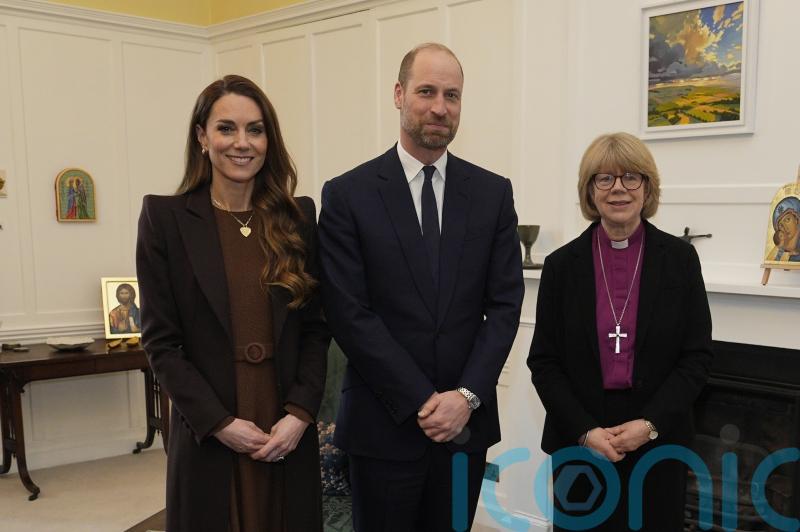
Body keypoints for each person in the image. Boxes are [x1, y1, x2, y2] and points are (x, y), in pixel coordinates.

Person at [318, 43, 524, 531]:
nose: (439, 107)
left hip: (464, 430)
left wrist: (465, 397)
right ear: (399, 94)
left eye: (452, 95)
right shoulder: (348, 194)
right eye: (426, 91)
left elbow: (505, 305)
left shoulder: (492, 193)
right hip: (382, 425)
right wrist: (422, 400)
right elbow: (348, 312)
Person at [136, 74, 329, 532]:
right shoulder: (165, 219)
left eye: (255, 130)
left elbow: (317, 328)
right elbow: (161, 344)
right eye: (226, 128)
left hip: (285, 423)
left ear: (268, 140)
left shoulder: (298, 217)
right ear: (202, 137)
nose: (242, 143)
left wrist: (300, 414)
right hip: (210, 427)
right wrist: (220, 423)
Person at [527, 132, 713, 530]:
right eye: (604, 178)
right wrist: (585, 431)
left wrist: (649, 425)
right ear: (589, 190)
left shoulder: (680, 260)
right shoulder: (561, 266)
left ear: (647, 187)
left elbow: (696, 357)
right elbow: (544, 362)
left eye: (631, 177)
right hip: (581, 441)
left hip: (658, 439)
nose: (618, 188)